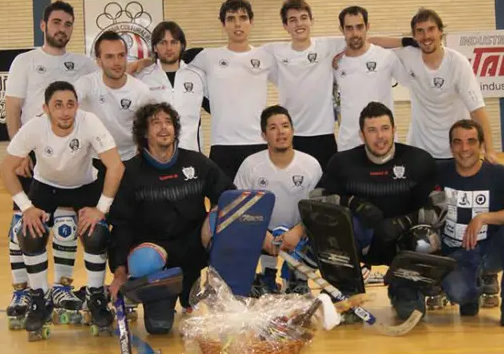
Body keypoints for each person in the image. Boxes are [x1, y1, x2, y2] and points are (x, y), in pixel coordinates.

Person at [0, 81, 125, 335]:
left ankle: (95, 295)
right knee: (29, 233)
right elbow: (5, 170)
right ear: (46, 108)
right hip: (46, 187)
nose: (65, 112)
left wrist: (101, 209)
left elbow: (116, 167)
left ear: (77, 105)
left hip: (84, 187)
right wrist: (26, 208)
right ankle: (40, 298)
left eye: (70, 105)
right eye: (58, 105)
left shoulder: (89, 122)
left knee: (96, 233)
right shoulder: (34, 127)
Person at [4, 0, 98, 322]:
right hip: (32, 152)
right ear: (44, 25)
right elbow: (13, 108)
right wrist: (17, 156)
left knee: (67, 224)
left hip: (73, 152)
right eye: (56, 22)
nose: (62, 28)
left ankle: (62, 287)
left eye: (68, 24)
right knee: (24, 223)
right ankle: (22, 290)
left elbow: (109, 81)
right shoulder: (25, 61)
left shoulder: (85, 64)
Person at [106, 102, 235, 334]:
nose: (163, 128)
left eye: (168, 122)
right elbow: (121, 223)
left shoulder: (196, 162)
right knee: (159, 328)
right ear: (144, 133)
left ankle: (215, 290)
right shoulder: (132, 172)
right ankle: (157, 297)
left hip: (194, 248)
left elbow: (229, 195)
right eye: (155, 123)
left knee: (223, 218)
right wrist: (119, 270)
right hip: (155, 255)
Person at [317, 102, 438, 321]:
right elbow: (316, 199)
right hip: (362, 243)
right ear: (362, 135)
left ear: (394, 129)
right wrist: (352, 202)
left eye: (384, 128)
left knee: (426, 238)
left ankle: (405, 289)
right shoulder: (342, 162)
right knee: (335, 224)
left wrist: (403, 222)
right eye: (372, 130)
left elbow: (439, 207)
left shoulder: (419, 160)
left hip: (402, 243)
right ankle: (348, 290)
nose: (379, 136)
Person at [436, 119, 504, 326]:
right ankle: (471, 291)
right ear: (451, 146)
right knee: (460, 295)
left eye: (471, 141)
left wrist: (484, 217)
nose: (464, 148)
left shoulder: (498, 173)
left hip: (490, 253)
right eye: (458, 142)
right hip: (457, 253)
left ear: (481, 145)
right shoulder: (439, 172)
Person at [234, 105, 322, 295]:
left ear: (293, 130)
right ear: (264, 135)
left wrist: (298, 232)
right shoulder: (250, 165)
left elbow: (318, 210)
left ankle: (298, 277)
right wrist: (261, 234)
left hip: (299, 233)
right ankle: (266, 275)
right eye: (273, 128)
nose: (281, 132)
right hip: (261, 232)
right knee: (232, 226)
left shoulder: (311, 165)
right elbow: (239, 208)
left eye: (285, 126)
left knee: (326, 225)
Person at [187, 0, 277, 180]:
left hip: (257, 142)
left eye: (243, 18)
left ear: (251, 22)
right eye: (231, 19)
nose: (238, 24)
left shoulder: (266, 56)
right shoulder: (207, 57)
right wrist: (144, 63)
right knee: (223, 205)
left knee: (259, 205)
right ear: (223, 24)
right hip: (222, 145)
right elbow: (173, 63)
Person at [394, 8, 498, 164]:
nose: (426, 36)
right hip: (420, 150)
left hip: (456, 151)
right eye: (420, 31)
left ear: (440, 32)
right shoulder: (408, 55)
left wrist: (490, 150)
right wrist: (403, 41)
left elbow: (477, 109)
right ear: (414, 35)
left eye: (431, 29)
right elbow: (370, 44)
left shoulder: (458, 63)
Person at [262, 0, 344, 170]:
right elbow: (240, 56)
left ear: (311, 21)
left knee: (326, 194)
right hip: (292, 137)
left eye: (304, 18)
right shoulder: (274, 51)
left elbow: (365, 41)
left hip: (323, 135)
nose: (299, 23)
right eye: (292, 20)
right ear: (285, 26)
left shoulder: (328, 46)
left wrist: (404, 42)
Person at [332, 5, 408, 152]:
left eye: (359, 27)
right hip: (349, 144)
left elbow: (411, 83)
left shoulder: (386, 57)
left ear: (367, 26)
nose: (355, 33)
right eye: (349, 28)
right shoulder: (336, 62)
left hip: (383, 142)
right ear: (342, 30)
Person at [76, 30, 153, 163]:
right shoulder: (86, 84)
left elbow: (149, 129)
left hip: (129, 159)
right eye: (109, 57)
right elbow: (62, 106)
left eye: (121, 55)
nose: (116, 62)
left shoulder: (141, 90)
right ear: (99, 61)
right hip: (93, 159)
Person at [136, 21, 207, 153]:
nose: (169, 48)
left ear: (182, 46)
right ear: (155, 47)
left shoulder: (198, 76)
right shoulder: (142, 79)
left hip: (193, 155)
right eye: (163, 42)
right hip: (156, 156)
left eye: (174, 42)